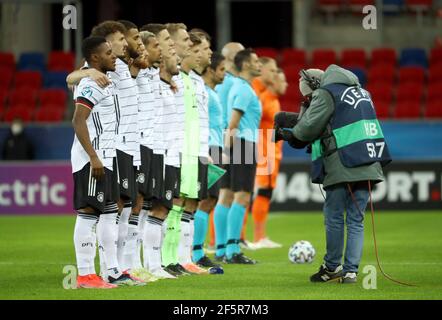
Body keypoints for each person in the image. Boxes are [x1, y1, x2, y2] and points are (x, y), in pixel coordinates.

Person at [275, 65, 391, 284]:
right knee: (356, 219)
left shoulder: (326, 93)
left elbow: (308, 128)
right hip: (369, 161)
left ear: (315, 86)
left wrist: (287, 135)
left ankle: (331, 267)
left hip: (343, 162)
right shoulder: (361, 92)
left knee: (335, 217)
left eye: (309, 96)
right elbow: (334, 118)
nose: (310, 100)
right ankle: (350, 272)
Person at [71, 36, 140, 288]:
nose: (114, 56)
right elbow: (78, 120)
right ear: (96, 58)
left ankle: (110, 271)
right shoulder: (90, 84)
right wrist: (93, 157)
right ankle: (85, 274)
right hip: (93, 159)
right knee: (88, 214)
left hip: (106, 157)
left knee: (110, 211)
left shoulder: (106, 82)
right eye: (109, 52)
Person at [222, 48, 262, 264]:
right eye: (256, 61)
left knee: (228, 195)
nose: (260, 65)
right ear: (245, 64)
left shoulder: (238, 86)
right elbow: (234, 122)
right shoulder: (245, 90)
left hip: (237, 144)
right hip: (243, 144)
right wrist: (228, 151)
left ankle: (226, 248)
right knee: (242, 196)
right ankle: (233, 249)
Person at [212, 42, 245, 260]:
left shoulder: (215, 82)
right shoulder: (236, 83)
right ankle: (232, 248)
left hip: (218, 139)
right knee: (240, 195)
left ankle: (221, 246)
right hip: (237, 140)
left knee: (223, 195)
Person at [249, 68, 288, 249]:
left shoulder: (274, 100)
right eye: (282, 80)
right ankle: (257, 238)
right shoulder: (264, 99)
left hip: (272, 153)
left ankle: (260, 236)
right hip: (264, 154)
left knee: (266, 193)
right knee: (262, 193)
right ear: (273, 82)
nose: (285, 84)